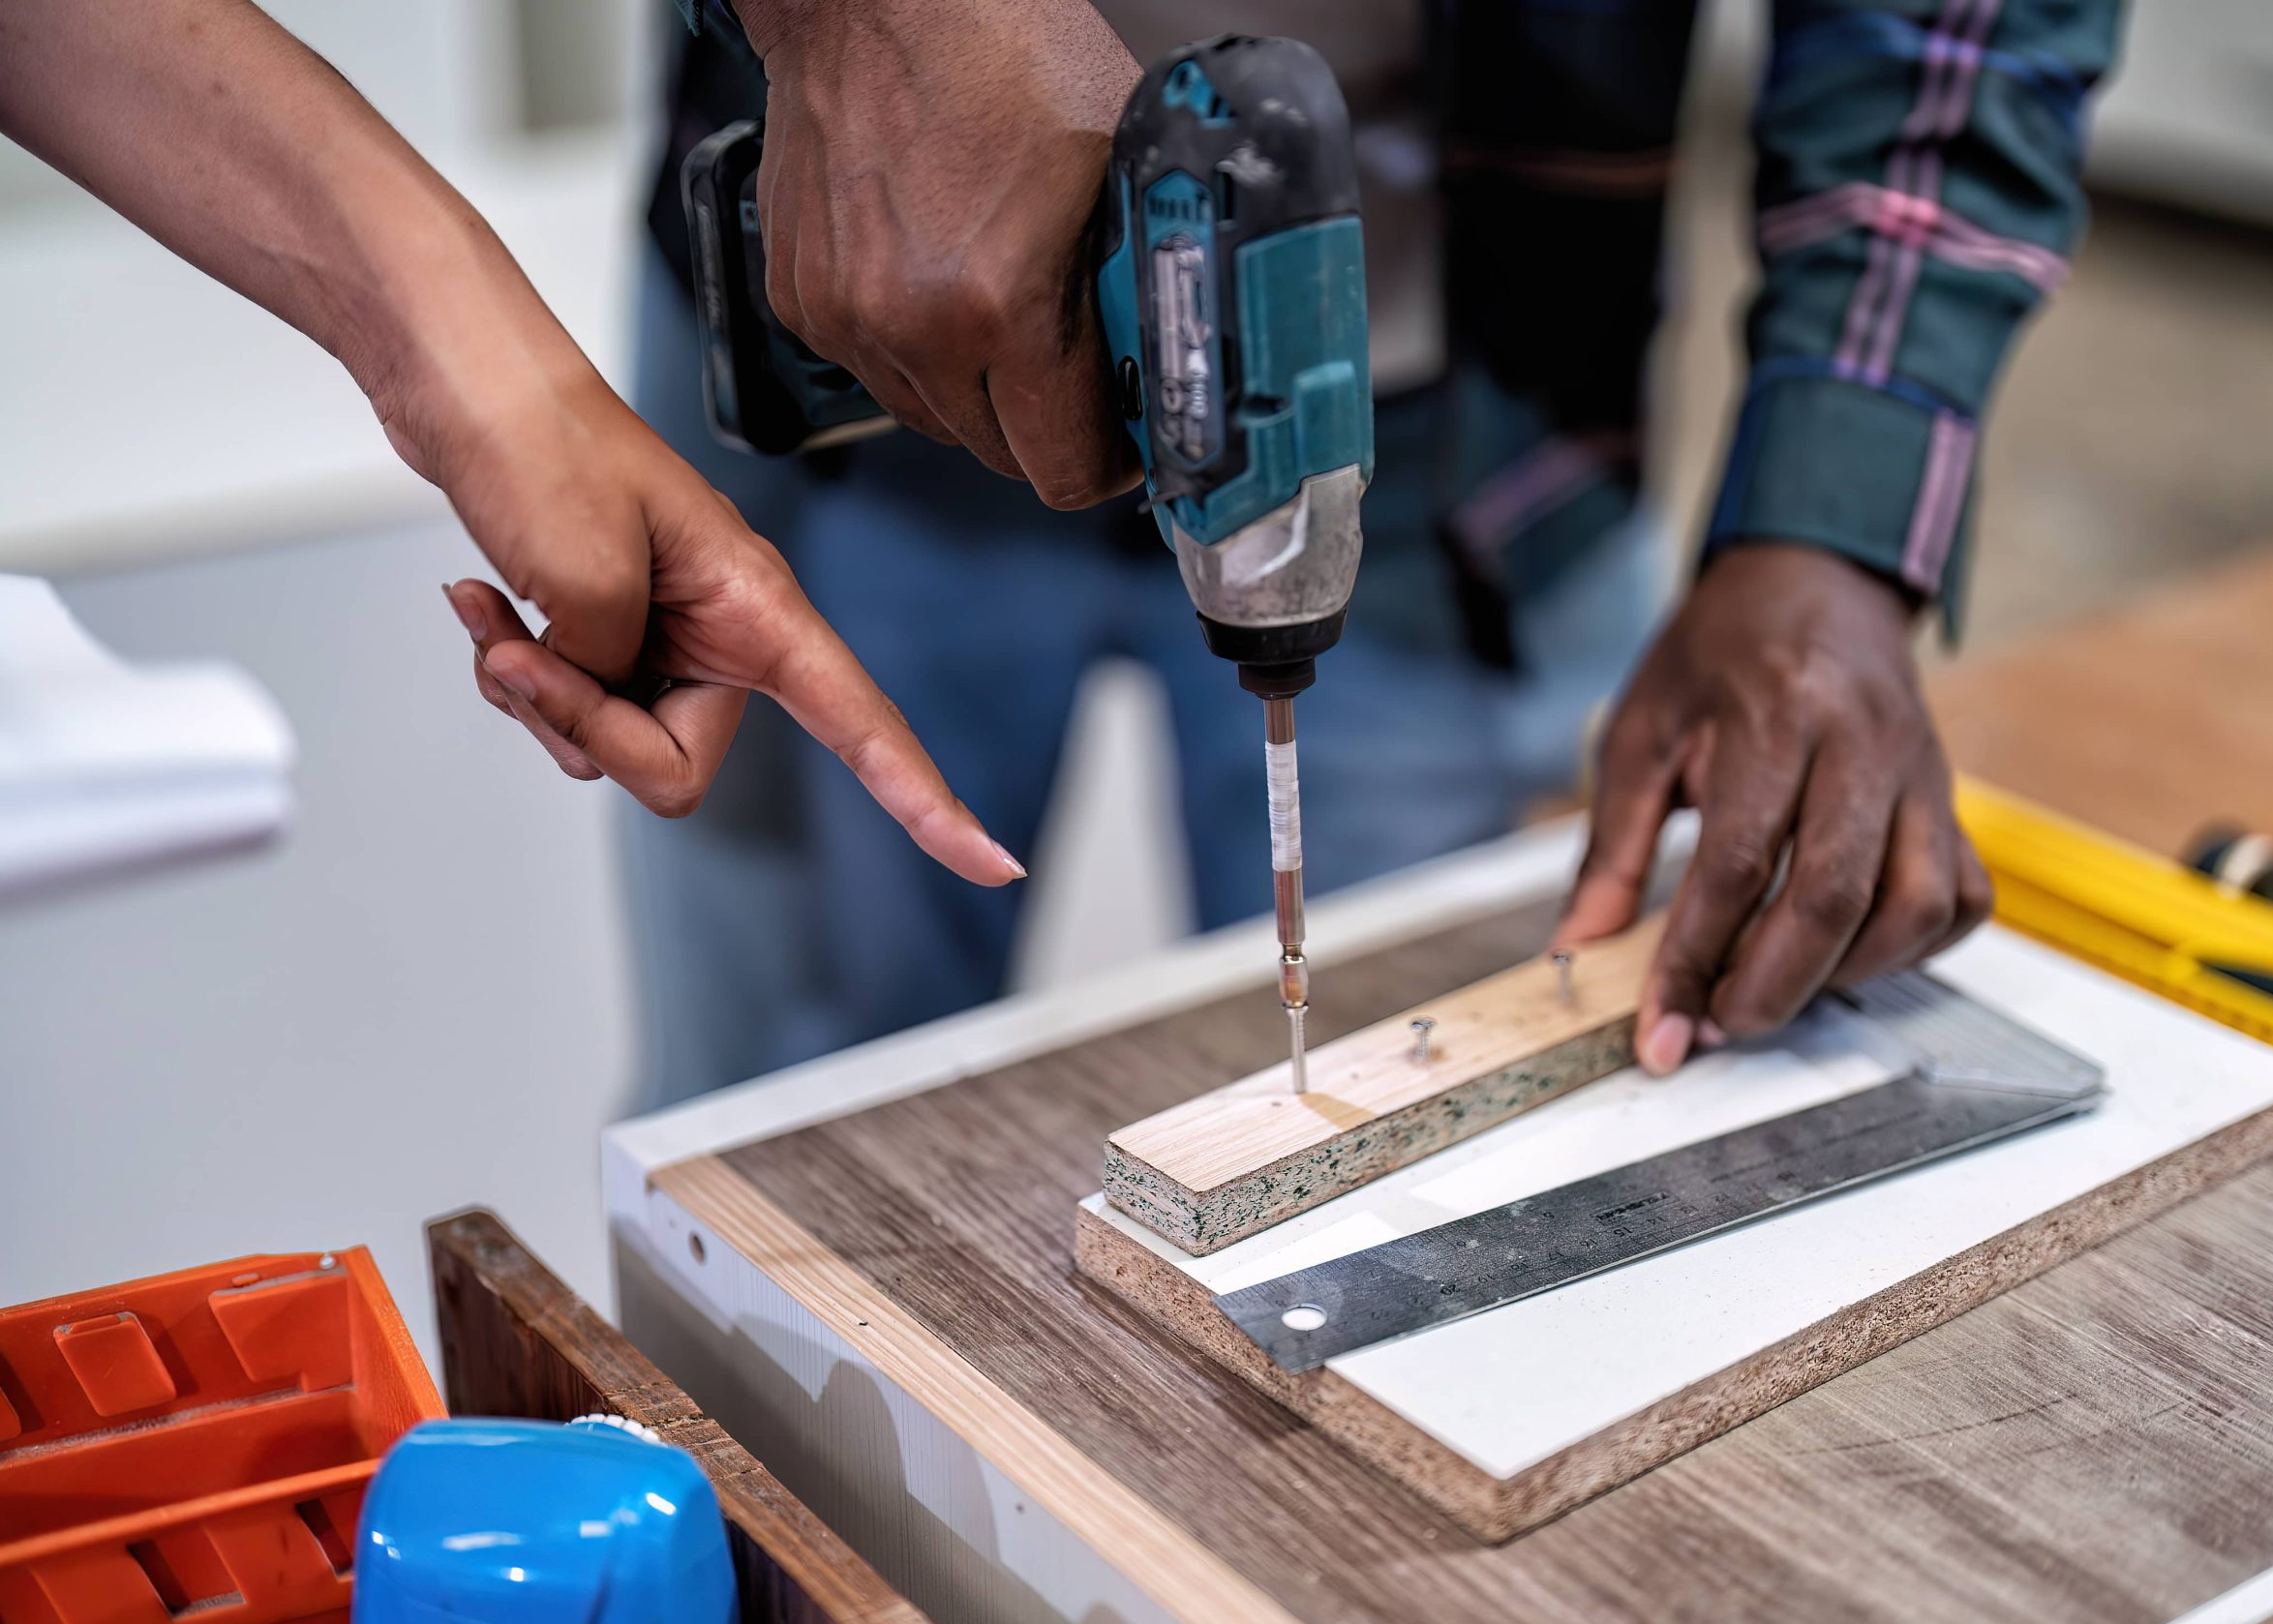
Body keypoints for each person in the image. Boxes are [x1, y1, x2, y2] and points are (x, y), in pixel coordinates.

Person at [613, 0, 2120, 1105]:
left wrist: (1835, 509)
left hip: (1476, 412)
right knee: (780, 1121)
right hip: (846, 317)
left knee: (1423, 1091)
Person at [0, 0, 1023, 889]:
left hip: (1134, 382)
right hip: (817, 381)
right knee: (801, 1021)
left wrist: (473, 364)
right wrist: (472, 364)